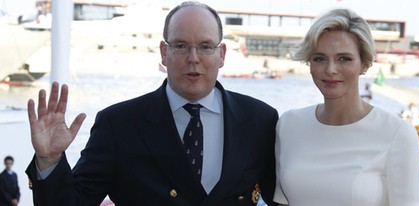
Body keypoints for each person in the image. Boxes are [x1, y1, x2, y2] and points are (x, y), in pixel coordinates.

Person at [25, 1, 278, 205]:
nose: (193, 58)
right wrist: (50, 162)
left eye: (205, 47)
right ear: (163, 53)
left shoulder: (260, 120)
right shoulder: (118, 125)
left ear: (221, 55)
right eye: (180, 46)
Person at [274, 8, 419, 205]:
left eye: (344, 58)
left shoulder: (397, 134)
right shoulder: (288, 124)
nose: (331, 70)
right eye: (320, 58)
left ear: (364, 63)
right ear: (309, 62)